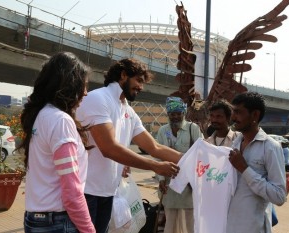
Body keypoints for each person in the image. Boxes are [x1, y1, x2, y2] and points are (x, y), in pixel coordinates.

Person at [76, 58, 182, 233]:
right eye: (138, 80)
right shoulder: (98, 98)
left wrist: (194, 159)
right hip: (86, 191)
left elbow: (154, 147)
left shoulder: (128, 110)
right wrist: (155, 166)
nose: (141, 87)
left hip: (108, 193)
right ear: (123, 75)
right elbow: (109, 149)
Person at [19, 52, 95, 232]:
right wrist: (89, 229)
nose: (85, 92)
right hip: (58, 222)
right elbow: (71, 191)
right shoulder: (60, 121)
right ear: (70, 85)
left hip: (35, 218)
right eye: (83, 85)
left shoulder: (40, 115)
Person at [227, 92, 286, 233]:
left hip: (253, 227)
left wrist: (245, 169)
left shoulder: (271, 147)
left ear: (255, 115)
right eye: (233, 112)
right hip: (229, 225)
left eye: (238, 112)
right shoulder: (234, 144)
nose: (233, 117)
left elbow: (279, 196)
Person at [156, 96, 203, 233]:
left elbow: (200, 155)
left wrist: (194, 179)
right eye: (172, 114)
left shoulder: (192, 128)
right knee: (170, 223)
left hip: (188, 186)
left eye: (178, 113)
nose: (175, 117)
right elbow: (158, 157)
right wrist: (161, 179)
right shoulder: (162, 131)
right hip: (169, 185)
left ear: (184, 113)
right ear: (168, 114)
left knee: (190, 224)